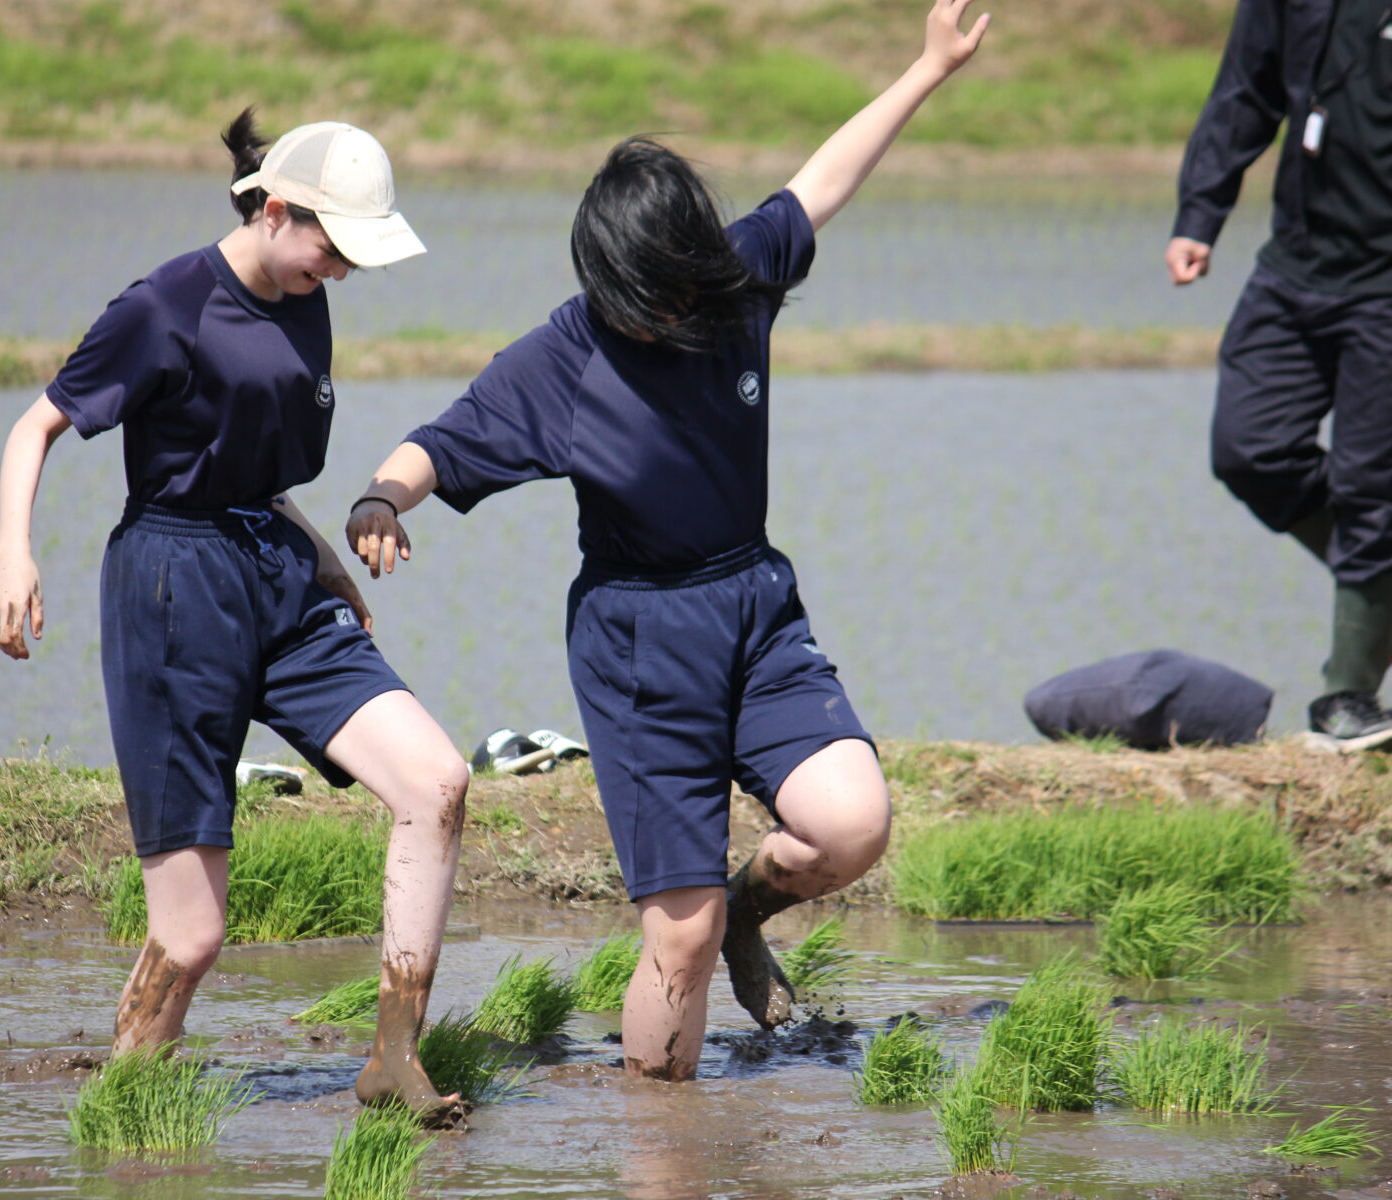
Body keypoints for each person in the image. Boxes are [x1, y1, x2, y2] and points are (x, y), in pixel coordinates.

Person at [341, 0, 989, 1081]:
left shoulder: (733, 284)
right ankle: (664, 1145)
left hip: (754, 603)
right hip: (641, 637)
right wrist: (379, 500)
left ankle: (749, 912)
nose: (668, 316)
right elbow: (441, 444)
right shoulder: (567, 355)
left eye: (682, 293)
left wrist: (927, 69)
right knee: (672, 939)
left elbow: (822, 181)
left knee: (852, 825)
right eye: (647, 302)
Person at [0, 111, 470, 1122]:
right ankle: (128, 1108)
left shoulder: (301, 297)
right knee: (195, 935)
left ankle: (392, 1060)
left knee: (436, 782)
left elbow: (253, 467)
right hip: (174, 586)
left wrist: (329, 564)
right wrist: (13, 556)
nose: (339, 273)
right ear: (279, 209)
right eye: (333, 249)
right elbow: (36, 427)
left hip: (279, 576)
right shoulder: (164, 306)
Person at [1166, 0, 1392, 758]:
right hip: (1294, 271)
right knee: (1248, 449)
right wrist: (1199, 213)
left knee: (1370, 483)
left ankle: (1348, 696)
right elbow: (1246, 87)